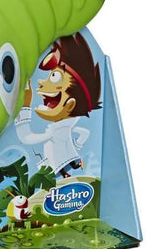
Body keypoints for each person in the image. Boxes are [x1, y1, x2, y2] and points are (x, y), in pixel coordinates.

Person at [14, 33, 101, 178]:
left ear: (70, 105)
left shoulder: (56, 130)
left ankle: (71, 169)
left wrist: (25, 106)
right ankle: (73, 166)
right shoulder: (63, 127)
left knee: (59, 165)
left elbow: (26, 137)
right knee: (61, 164)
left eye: (54, 77)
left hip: (57, 163)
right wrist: (75, 141)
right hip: (64, 158)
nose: (41, 82)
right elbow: (85, 133)